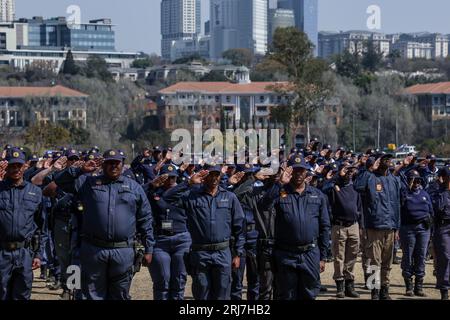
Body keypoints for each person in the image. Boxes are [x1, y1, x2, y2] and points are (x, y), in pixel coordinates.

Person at [53, 149, 155, 300]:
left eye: (117, 163)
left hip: (123, 250)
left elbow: (145, 219)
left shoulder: (134, 187)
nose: (113, 166)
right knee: (93, 295)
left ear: (122, 164)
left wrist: (149, 248)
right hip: (94, 250)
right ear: (103, 165)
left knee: (120, 295)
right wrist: (80, 170)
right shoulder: (87, 184)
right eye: (109, 163)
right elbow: (59, 180)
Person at [163, 164, 244, 300]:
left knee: (222, 294)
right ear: (203, 176)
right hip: (200, 254)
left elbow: (239, 227)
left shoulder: (229, 197)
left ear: (220, 176)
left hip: (223, 253)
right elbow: (167, 198)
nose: (213, 178)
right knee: (201, 293)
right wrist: (188, 182)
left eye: (216, 175)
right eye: (210, 174)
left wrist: (238, 253)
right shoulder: (191, 196)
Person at [261, 155, 330, 300]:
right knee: (286, 295)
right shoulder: (280, 192)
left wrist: (323, 256)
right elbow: (264, 206)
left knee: (309, 293)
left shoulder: (317, 195)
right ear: (289, 172)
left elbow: (324, 227)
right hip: (286, 254)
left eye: (301, 171)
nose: (298, 174)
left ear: (306, 173)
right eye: (295, 171)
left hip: (310, 253)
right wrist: (279, 183)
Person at [355, 154, 401, 300]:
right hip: (374, 227)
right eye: (385, 159)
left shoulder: (394, 180)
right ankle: (374, 291)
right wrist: (369, 170)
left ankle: (384, 290)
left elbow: (397, 205)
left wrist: (397, 227)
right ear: (378, 162)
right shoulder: (370, 177)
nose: (388, 162)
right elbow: (358, 186)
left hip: (390, 227)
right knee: (374, 261)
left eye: (390, 159)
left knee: (387, 262)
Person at [0, 148, 43, 300]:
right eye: (12, 166)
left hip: (24, 253)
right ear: (7, 167)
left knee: (22, 294)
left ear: (25, 166)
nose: (16, 169)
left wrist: (38, 254)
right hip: (2, 252)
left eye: (19, 165)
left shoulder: (35, 192)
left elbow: (40, 226)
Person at [146, 164, 192, 300]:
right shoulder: (153, 192)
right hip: (160, 241)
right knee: (162, 280)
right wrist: (152, 185)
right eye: (166, 177)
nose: (170, 180)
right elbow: (139, 193)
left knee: (179, 281)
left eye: (173, 178)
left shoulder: (185, 192)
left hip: (181, 239)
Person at [323, 164, 361, 298]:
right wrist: (337, 176)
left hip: (354, 225)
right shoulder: (333, 186)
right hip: (339, 226)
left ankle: (349, 285)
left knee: (352, 256)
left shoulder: (354, 186)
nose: (349, 173)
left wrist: (360, 226)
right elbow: (324, 190)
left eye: (351, 171)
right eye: (346, 170)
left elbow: (359, 206)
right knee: (339, 257)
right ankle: (340, 285)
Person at [399, 170, 433, 297]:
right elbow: (400, 207)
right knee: (408, 257)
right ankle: (409, 286)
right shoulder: (404, 193)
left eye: (418, 180)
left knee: (421, 257)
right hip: (408, 229)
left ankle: (419, 286)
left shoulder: (424, 193)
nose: (416, 182)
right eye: (413, 180)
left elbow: (431, 211)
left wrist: (430, 222)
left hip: (423, 229)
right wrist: (407, 187)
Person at [430, 166, 450, 300]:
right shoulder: (437, 192)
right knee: (445, 258)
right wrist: (443, 189)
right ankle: (444, 288)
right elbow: (437, 208)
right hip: (443, 227)